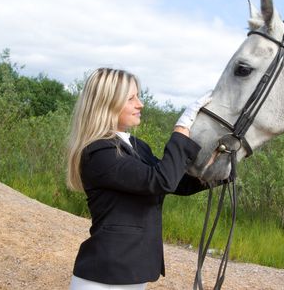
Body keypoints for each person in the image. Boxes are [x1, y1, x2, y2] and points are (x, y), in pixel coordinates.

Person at [66, 68, 211, 290]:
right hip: (102, 278)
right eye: (131, 98)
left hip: (131, 273)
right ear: (107, 103)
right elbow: (161, 180)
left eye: (138, 96)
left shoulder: (137, 146)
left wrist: (217, 170)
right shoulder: (99, 152)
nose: (140, 104)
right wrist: (181, 130)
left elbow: (176, 183)